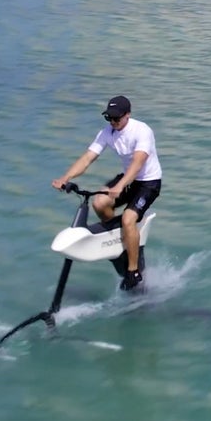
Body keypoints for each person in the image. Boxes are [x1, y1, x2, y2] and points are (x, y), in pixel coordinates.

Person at [53, 94, 162, 291]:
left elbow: (138, 163)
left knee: (129, 218)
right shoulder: (107, 132)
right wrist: (65, 178)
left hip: (148, 183)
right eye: (109, 118)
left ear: (128, 115)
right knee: (99, 203)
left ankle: (133, 271)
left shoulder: (142, 131)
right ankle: (120, 236)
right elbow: (87, 158)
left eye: (116, 118)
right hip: (128, 180)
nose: (112, 122)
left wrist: (120, 186)